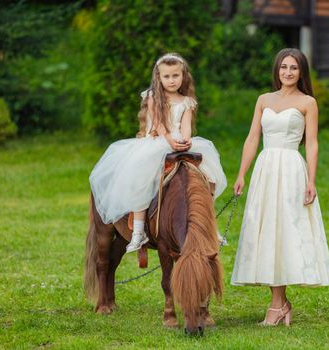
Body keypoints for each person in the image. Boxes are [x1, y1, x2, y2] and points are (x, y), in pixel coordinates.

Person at [231, 48, 329, 326]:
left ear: (301, 72)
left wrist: (311, 180)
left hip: (291, 169)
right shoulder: (263, 99)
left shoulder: (308, 102)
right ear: (277, 70)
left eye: (293, 68)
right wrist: (242, 173)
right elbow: (253, 137)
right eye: (283, 67)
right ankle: (279, 303)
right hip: (266, 169)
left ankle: (277, 306)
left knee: (286, 231)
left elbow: (311, 143)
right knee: (266, 231)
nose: (287, 72)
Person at [89, 53, 227, 253]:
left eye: (175, 76)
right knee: (141, 177)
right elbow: (160, 124)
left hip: (180, 142)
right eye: (167, 77)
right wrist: (170, 139)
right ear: (159, 78)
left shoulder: (187, 101)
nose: (171, 80)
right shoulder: (153, 97)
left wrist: (186, 140)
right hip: (157, 141)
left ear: (183, 76)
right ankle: (138, 230)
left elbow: (186, 125)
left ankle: (209, 225)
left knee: (208, 176)